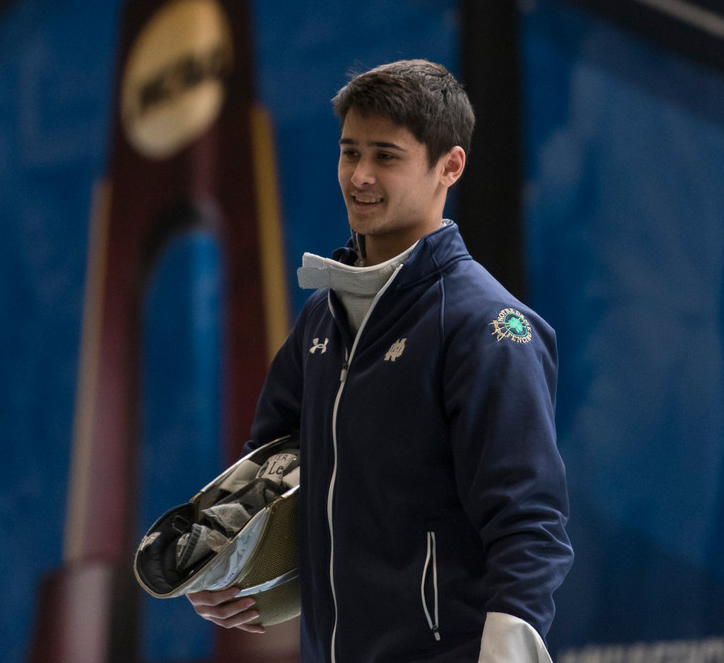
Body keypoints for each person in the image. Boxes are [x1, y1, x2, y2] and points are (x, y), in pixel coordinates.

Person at [187, 59, 573, 661]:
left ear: (450, 165)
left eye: (386, 156)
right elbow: (276, 472)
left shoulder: (487, 326)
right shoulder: (323, 316)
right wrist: (238, 569)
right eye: (349, 152)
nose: (360, 176)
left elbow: (529, 523)